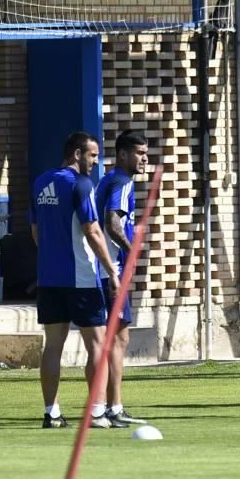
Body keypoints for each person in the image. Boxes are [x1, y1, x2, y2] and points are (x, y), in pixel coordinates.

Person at [30, 132, 122, 429]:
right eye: (93, 155)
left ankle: (51, 412)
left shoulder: (41, 182)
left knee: (53, 344)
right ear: (77, 154)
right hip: (81, 277)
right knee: (98, 345)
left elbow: (35, 232)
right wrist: (113, 271)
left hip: (48, 278)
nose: (96, 162)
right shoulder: (81, 184)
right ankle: (96, 412)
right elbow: (93, 232)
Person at [94, 130, 149, 426]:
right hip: (111, 271)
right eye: (139, 153)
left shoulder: (110, 180)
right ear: (123, 154)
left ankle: (112, 405)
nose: (144, 159)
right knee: (114, 339)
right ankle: (107, 407)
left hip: (106, 270)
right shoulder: (121, 182)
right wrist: (131, 250)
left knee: (119, 336)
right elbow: (112, 221)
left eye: (146, 154)